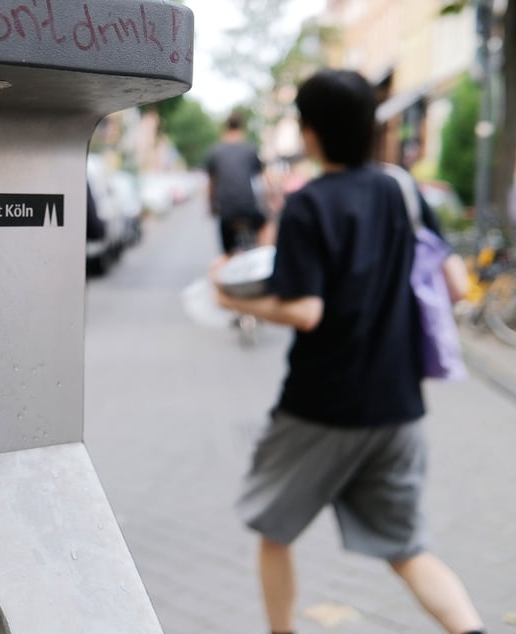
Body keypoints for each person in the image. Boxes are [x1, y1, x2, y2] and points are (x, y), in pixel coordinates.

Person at [214, 69, 484, 634]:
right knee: (408, 549)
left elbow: (305, 311)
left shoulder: (309, 205)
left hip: (321, 406)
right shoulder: (401, 188)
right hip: (398, 406)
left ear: (309, 133)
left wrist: (231, 298)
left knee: (273, 529)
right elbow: (456, 285)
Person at [205, 112, 273, 253]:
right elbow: (263, 179)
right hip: (248, 208)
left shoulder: (215, 152)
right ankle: (263, 255)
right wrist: (271, 200)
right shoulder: (250, 149)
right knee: (266, 226)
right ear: (242, 128)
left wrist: (212, 206)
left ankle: (228, 260)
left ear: (225, 128)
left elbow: (211, 184)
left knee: (227, 252)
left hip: (226, 211)